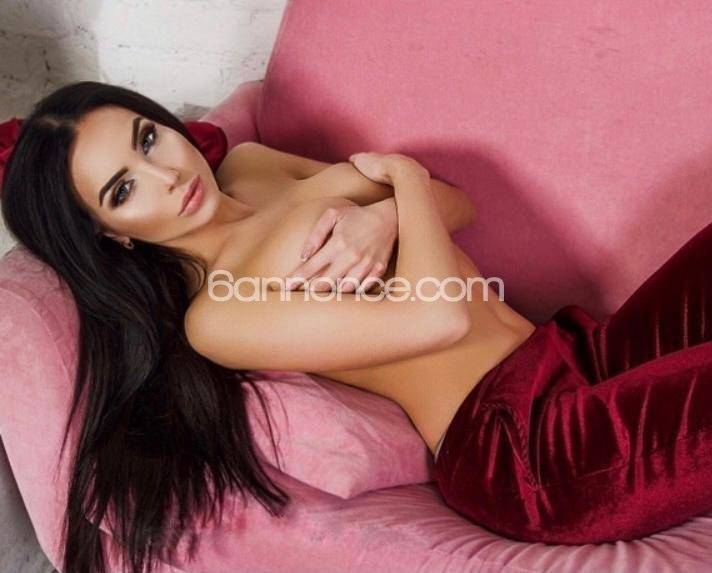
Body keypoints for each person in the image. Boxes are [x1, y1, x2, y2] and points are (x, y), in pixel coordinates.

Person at [0, 80, 709, 572]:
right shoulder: (218, 314)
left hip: (576, 349)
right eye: (124, 189)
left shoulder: (251, 166)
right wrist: (402, 179)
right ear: (112, 234)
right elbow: (437, 315)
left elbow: (457, 205)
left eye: (148, 139)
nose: (166, 177)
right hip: (522, 447)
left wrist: (387, 217)